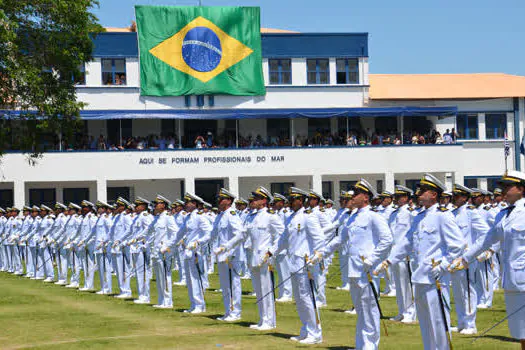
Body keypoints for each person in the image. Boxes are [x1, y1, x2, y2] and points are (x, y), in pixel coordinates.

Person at [376, 174, 463, 350]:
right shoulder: (419, 217)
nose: (419, 193)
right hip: (419, 276)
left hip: (435, 278)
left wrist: (444, 265)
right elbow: (407, 243)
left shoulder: (443, 216)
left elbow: (458, 245)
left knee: (439, 322)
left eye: (423, 191)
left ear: (433, 194)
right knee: (425, 323)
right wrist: (389, 260)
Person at [449, 170, 525, 350]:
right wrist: (465, 258)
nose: (504, 191)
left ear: (522, 189)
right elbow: (486, 239)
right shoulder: (503, 214)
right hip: (512, 280)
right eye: (503, 187)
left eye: (508, 186)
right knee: (520, 332)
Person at [329, 179, 393, 349]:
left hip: (366, 270)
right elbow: (340, 239)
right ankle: (361, 345)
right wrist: (321, 252)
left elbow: (387, 240)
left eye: (356, 194)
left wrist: (372, 259)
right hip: (354, 270)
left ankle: (370, 346)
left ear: (365, 197)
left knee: (370, 310)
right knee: (361, 310)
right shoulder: (352, 218)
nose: (352, 197)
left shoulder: (374, 217)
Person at [220, 187, 284, 331]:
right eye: (253, 198)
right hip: (254, 258)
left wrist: (271, 251)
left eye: (256, 199)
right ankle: (262, 320)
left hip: (265, 258)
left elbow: (282, 235)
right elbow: (241, 235)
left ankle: (269, 321)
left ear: (264, 201)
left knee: (267, 290)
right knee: (259, 291)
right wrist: (226, 246)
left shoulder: (271, 216)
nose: (253, 201)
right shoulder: (251, 216)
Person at [267, 187, 326, 344]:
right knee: (299, 300)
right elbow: (283, 240)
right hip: (293, 263)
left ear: (302, 201)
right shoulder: (291, 218)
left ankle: (315, 333)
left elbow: (319, 239)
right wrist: (271, 252)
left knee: (307, 298)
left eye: (295, 200)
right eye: (291, 200)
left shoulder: (309, 217)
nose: (292, 203)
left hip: (305, 263)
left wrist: (317, 256)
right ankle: (306, 329)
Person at [448, 184, 490, 335]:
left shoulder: (471, 212)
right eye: (454, 196)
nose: (454, 198)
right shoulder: (452, 213)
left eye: (457, 196)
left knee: (468, 290)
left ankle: (471, 324)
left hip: (466, 259)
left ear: (465, 198)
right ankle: (461, 322)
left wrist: (472, 252)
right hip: (454, 259)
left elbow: (485, 233)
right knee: (458, 292)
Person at [175, 193, 212, 314]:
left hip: (196, 252)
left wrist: (198, 242)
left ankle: (200, 305)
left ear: (195, 204)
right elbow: (180, 233)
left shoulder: (200, 217)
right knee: (190, 280)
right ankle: (193, 304)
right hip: (188, 252)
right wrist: (170, 244)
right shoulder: (188, 217)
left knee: (196, 279)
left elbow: (209, 233)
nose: (186, 204)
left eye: (188, 202)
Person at [212, 188, 246, 322]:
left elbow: (240, 234)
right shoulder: (220, 216)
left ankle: (235, 312)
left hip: (231, 255)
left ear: (229, 201)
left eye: (222, 199)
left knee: (234, 284)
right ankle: (228, 311)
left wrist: (228, 248)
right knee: (225, 285)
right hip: (222, 255)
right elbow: (213, 234)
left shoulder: (232, 215)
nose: (219, 201)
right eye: (219, 199)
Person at [386, 185, 416, 323]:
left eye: (399, 197)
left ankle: (410, 312)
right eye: (395, 197)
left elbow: (413, 234)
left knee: (408, 284)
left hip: (406, 254)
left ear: (406, 198)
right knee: (398, 284)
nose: (396, 200)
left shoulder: (411, 212)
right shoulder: (393, 214)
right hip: (394, 253)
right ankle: (401, 311)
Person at [129, 197, 154, 304]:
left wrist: (146, 244)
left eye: (137, 205)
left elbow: (151, 231)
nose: (135, 207)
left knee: (143, 272)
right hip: (136, 247)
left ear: (143, 207)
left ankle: (145, 296)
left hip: (142, 248)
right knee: (139, 272)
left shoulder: (146, 216)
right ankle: (141, 294)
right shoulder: (137, 217)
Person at [110, 197, 133, 298]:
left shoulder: (126, 217)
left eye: (119, 206)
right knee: (118, 270)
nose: (117, 208)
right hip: (115, 247)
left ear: (124, 207)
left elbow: (129, 231)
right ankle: (122, 290)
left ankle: (126, 291)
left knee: (124, 269)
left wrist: (120, 240)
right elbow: (112, 232)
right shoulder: (117, 217)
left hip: (122, 247)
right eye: (117, 206)